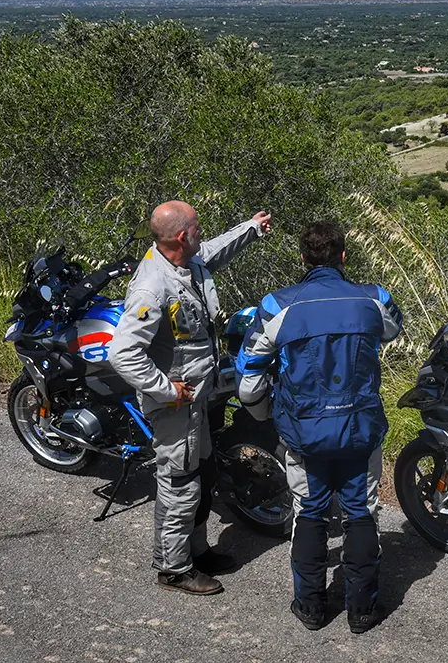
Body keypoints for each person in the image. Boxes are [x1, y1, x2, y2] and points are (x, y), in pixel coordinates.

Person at [236, 220, 402, 634]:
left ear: (302, 258)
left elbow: (250, 376)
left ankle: (310, 608)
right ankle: (362, 612)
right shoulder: (375, 299)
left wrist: (260, 414)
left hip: (305, 432)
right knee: (361, 513)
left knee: (309, 513)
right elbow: (393, 331)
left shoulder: (278, 305)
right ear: (344, 256)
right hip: (359, 429)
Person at [109, 201, 272, 595]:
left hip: (198, 397)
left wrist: (250, 227)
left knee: (203, 476)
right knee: (179, 481)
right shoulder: (153, 286)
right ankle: (173, 568)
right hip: (175, 406)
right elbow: (122, 353)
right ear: (182, 236)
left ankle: (196, 551)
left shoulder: (187, 262)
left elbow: (214, 250)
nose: (202, 232)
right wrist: (166, 389)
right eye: (198, 227)